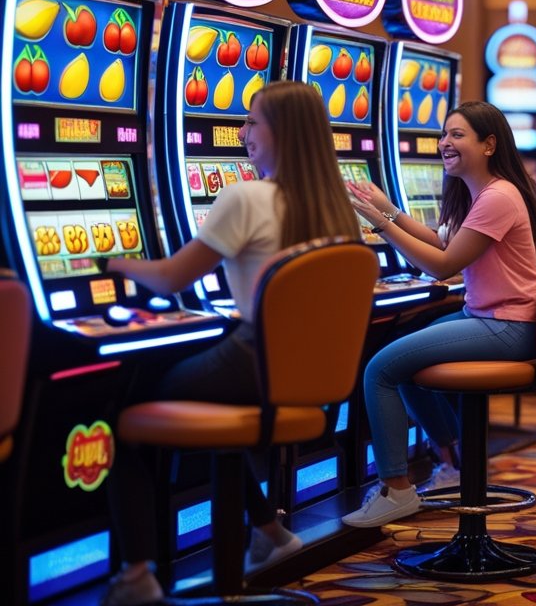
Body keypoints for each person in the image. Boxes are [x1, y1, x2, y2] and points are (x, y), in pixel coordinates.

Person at [102, 81, 363, 605]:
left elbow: (173, 279)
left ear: (281, 133)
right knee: (211, 404)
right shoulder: (339, 211)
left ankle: (136, 576)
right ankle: (269, 533)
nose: (243, 133)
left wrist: (109, 263)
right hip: (304, 381)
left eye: (252, 122)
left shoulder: (246, 196)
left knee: (122, 416)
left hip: (252, 360)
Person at [341, 101, 536, 528]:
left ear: (489, 144)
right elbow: (440, 240)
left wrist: (378, 224)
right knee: (405, 363)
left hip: (506, 326)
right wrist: (387, 208)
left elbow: (441, 265)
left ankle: (396, 490)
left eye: (457, 135)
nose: (444, 143)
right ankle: (453, 462)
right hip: (492, 318)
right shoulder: (489, 192)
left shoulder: (499, 197)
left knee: (380, 370)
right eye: (444, 134)